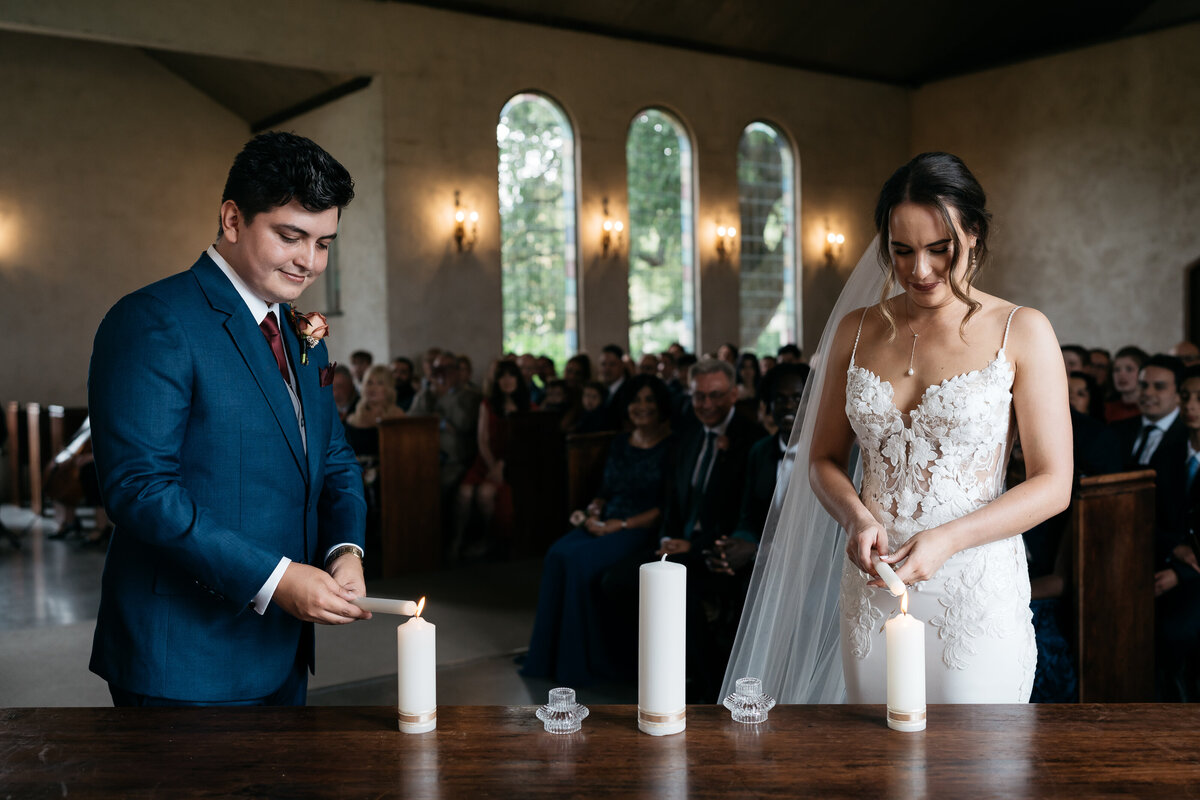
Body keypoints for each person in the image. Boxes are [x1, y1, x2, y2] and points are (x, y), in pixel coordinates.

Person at [725, 152, 1073, 704]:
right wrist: (855, 516)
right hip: (873, 588)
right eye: (902, 251)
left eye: (941, 249)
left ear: (975, 235)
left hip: (974, 592)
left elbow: (1053, 483)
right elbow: (822, 460)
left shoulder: (1022, 330)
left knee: (975, 773)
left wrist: (949, 539)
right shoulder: (856, 330)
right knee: (877, 763)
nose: (921, 270)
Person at [87, 132, 370, 707]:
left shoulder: (295, 331)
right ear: (234, 219)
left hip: (283, 648)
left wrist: (346, 549)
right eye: (290, 237)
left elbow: (332, 456)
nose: (308, 262)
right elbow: (139, 490)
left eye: (323, 243)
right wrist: (277, 579)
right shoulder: (154, 320)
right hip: (185, 656)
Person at [522, 374, 674, 686]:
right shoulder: (620, 442)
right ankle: (549, 656)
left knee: (580, 560)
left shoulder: (672, 445)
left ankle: (584, 663)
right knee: (557, 553)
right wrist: (594, 508)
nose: (641, 407)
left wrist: (622, 524)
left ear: (660, 405)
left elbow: (666, 506)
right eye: (635, 400)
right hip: (607, 521)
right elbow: (606, 489)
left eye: (648, 400)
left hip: (639, 528)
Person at [453, 360, 530, 561]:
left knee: (485, 494)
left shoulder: (528, 405)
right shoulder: (487, 404)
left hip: (512, 463)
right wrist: (492, 464)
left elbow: (525, 442)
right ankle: (458, 539)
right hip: (486, 460)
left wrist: (502, 465)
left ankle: (488, 541)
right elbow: (483, 439)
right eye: (502, 376)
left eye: (511, 375)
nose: (507, 380)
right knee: (465, 493)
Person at [1107, 345, 1147, 422]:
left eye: (1129, 369)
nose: (1121, 375)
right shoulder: (1105, 409)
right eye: (1116, 370)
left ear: (1143, 373)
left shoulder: (1150, 408)